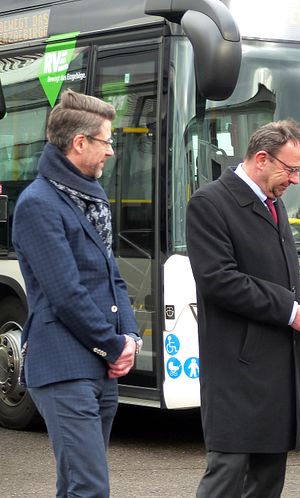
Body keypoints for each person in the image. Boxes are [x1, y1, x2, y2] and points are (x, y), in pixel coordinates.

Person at [186, 119, 300, 498]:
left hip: (275, 365)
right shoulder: (210, 202)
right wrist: (290, 310)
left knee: (269, 479)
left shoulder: (273, 201)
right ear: (262, 159)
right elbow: (220, 280)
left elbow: (275, 270)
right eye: (292, 169)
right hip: (238, 366)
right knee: (227, 475)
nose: (297, 179)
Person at [12, 89, 141, 497]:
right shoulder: (39, 203)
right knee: (89, 487)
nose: (112, 152)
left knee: (76, 486)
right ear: (79, 143)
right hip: (64, 366)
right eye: (106, 141)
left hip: (99, 366)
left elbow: (112, 277)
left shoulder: (91, 199)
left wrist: (131, 338)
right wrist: (112, 344)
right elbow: (65, 291)